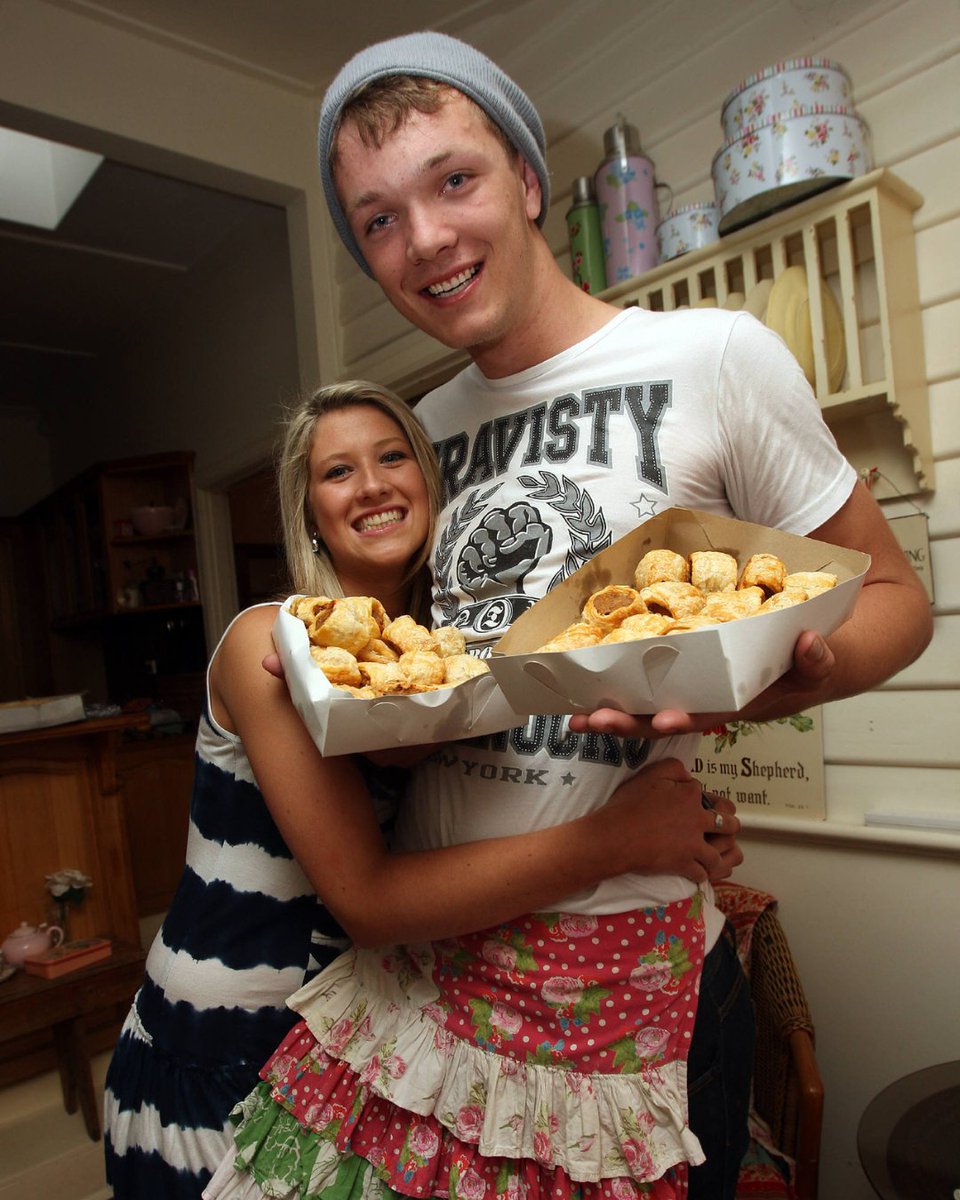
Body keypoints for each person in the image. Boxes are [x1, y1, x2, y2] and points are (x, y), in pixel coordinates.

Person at [203, 32, 931, 1200]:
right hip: (440, 980)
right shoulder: (410, 437)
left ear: (528, 181)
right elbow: (400, 680)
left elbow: (897, 599)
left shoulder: (715, 358)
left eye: (455, 180)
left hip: (634, 980)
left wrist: (773, 675)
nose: (426, 239)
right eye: (377, 218)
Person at [103, 380, 737, 1200]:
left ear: (432, 486)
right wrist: (622, 839)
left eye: (392, 455)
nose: (370, 483)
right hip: (218, 1038)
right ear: (309, 512)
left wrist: (686, 817)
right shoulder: (270, 643)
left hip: (354, 1033)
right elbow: (366, 900)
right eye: (337, 472)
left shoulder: (450, 666)